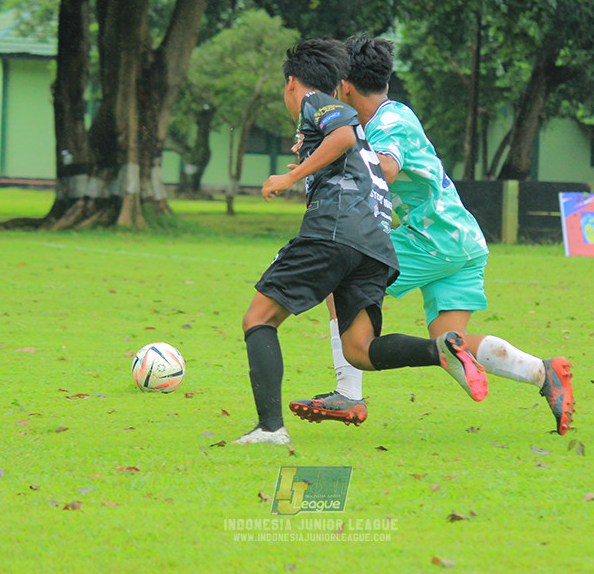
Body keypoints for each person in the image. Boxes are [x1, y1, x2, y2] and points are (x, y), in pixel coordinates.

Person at [288, 36, 575, 435]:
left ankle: (348, 393)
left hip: (432, 238)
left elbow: (384, 169)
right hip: (461, 241)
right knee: (449, 343)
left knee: (340, 283)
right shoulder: (390, 116)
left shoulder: (389, 123)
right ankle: (543, 374)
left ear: (346, 87)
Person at [234, 38, 487, 445]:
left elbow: (344, 137)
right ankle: (440, 349)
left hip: (335, 230)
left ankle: (269, 429)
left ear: (291, 83)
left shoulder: (316, 102)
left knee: (258, 319)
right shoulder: (351, 119)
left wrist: (290, 177)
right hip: (373, 244)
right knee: (360, 350)